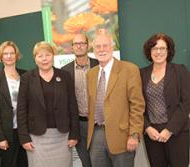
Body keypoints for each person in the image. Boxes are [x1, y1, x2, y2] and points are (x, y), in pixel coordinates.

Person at [17, 41, 80, 167]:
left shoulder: (65, 76)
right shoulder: (27, 78)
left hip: (62, 136)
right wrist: (24, 137)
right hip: (36, 137)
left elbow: (72, 106)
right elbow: (21, 109)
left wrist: (74, 134)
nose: (44, 59)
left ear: (53, 56)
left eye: (47, 55)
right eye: (40, 56)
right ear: (35, 59)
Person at [86, 33, 145, 167]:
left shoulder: (129, 69)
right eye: (97, 46)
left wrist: (134, 134)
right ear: (93, 50)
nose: (101, 49)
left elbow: (137, 104)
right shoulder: (90, 74)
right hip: (96, 134)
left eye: (105, 45)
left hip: (122, 135)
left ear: (112, 48)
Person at [141, 33, 190, 167]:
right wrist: (147, 128)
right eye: (154, 48)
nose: (158, 52)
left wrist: (169, 130)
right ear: (149, 51)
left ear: (169, 51)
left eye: (162, 48)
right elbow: (138, 105)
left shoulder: (180, 71)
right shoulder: (141, 74)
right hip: (152, 134)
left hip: (177, 133)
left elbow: (186, 103)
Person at [0, 41, 28, 167]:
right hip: (7, 133)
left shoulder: (25, 75)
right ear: (1, 57)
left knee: (25, 163)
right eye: (5, 53)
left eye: (12, 53)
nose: (9, 56)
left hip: (24, 132)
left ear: (17, 55)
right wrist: (0, 138)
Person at [62, 33, 98, 167]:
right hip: (78, 124)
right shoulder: (65, 71)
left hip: (98, 123)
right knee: (86, 161)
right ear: (72, 47)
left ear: (87, 46)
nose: (79, 46)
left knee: (100, 160)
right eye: (76, 44)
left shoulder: (99, 65)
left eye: (82, 43)